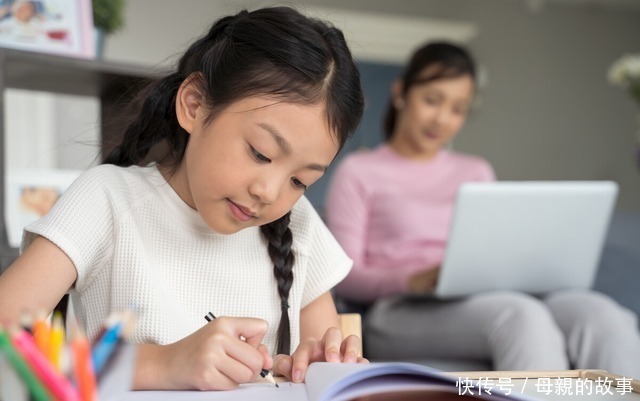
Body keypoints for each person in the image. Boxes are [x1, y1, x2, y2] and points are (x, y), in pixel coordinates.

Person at [0, 6, 368, 390]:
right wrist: (160, 364)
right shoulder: (106, 200)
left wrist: (318, 362)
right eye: (260, 153)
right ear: (194, 105)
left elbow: (324, 359)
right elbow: (5, 342)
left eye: (299, 180)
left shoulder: (299, 223)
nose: (270, 193)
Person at [325, 42, 640, 377]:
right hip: (400, 308)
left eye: (459, 109)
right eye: (432, 100)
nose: (443, 119)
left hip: (485, 295)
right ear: (401, 92)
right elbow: (345, 277)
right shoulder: (359, 171)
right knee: (520, 318)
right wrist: (413, 280)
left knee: (604, 315)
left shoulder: (476, 171)